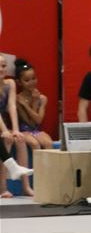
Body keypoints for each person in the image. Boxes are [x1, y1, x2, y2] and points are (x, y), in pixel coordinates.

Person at [14, 58, 53, 196]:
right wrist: (25, 105)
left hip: (35, 129)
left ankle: (48, 181)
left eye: (34, 78)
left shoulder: (42, 98)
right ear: (19, 82)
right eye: (27, 80)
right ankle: (34, 184)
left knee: (48, 143)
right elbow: (28, 122)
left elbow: (37, 121)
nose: (32, 82)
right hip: (23, 130)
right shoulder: (17, 99)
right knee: (35, 144)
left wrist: (34, 102)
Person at [0, 53, 31, 198]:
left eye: (4, 66)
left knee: (20, 139)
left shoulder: (10, 84)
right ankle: (3, 188)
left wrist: (16, 129)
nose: (1, 69)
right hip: (1, 126)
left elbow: (12, 106)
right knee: (6, 140)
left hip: (3, 124)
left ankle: (26, 186)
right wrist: (5, 130)